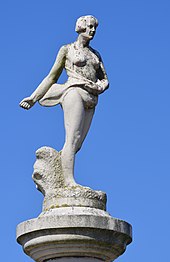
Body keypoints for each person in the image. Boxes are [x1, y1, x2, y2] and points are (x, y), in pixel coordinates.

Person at [20, 15, 109, 186]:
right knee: (72, 138)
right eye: (89, 27)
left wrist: (100, 87)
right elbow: (51, 77)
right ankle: (69, 181)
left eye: (94, 28)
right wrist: (33, 97)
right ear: (80, 27)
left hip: (92, 98)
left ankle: (55, 171)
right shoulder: (67, 49)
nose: (92, 30)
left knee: (78, 144)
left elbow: (105, 79)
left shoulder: (95, 54)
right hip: (74, 92)